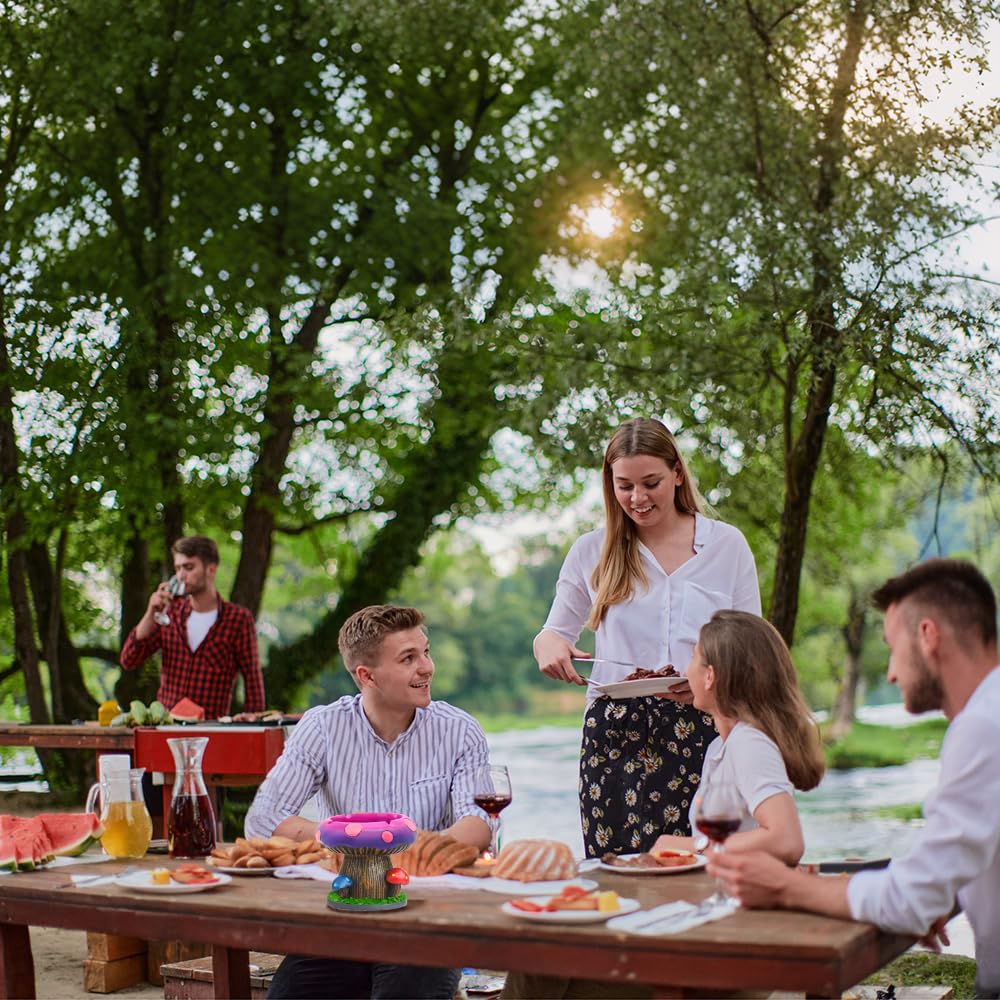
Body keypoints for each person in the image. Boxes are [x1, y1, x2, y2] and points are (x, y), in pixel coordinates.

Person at [709, 559, 1000, 1000]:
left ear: (927, 635)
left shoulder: (981, 727)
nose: (891, 673)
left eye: (892, 647)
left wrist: (786, 886)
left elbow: (910, 899)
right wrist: (950, 894)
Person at [534, 417, 761, 856]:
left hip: (705, 727)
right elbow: (552, 633)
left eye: (651, 482)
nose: (637, 498)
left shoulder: (726, 545)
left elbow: (752, 650)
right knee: (618, 877)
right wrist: (551, 648)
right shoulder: (590, 550)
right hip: (615, 735)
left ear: (677, 473)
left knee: (703, 869)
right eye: (624, 486)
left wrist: (713, 682)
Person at [245, 604, 491, 1000]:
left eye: (425, 652)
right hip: (340, 918)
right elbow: (263, 818)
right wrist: (353, 841)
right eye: (408, 658)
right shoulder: (323, 726)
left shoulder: (459, 730)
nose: (426, 667)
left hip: (425, 920)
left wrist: (393, 855)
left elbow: (478, 824)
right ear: (366, 675)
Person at [120, 535, 264, 720]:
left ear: (211, 569)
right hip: (167, 724)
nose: (181, 575)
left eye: (188, 567)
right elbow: (128, 660)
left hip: (211, 729)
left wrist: (255, 725)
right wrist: (150, 614)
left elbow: (252, 679)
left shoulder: (238, 619)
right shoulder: (170, 613)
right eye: (178, 568)